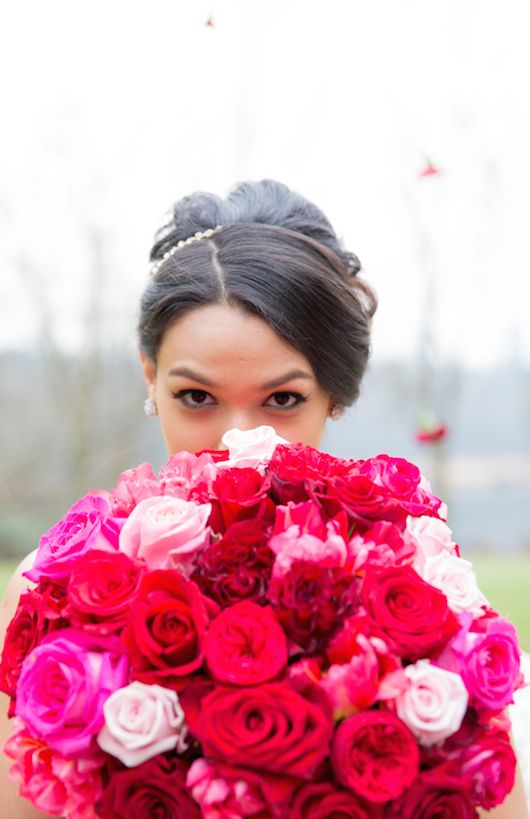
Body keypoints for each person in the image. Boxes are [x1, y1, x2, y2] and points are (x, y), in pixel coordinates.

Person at [0, 179, 528, 817]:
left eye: (282, 399)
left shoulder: (420, 582)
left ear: (336, 394)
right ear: (151, 377)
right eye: (197, 397)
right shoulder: (58, 592)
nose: (238, 438)